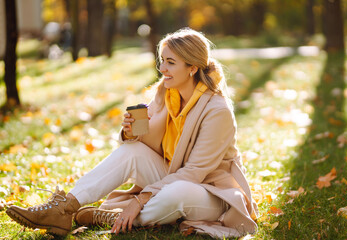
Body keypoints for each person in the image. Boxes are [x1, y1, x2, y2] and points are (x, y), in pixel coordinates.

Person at [6, 28, 258, 238]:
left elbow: (193, 173)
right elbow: (149, 146)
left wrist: (138, 200)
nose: (163, 69)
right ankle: (65, 207)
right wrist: (131, 133)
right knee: (132, 150)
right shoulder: (167, 93)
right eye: (162, 60)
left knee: (178, 193)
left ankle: (123, 217)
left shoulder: (217, 110)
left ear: (192, 68)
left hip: (209, 192)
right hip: (172, 174)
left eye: (171, 63)